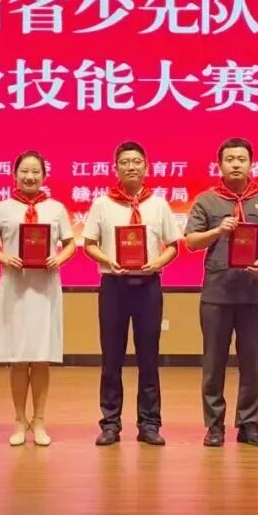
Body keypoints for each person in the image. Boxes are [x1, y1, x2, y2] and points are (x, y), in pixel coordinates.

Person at [184, 137, 258, 447]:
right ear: (220, 165)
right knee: (213, 362)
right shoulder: (207, 200)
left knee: (251, 362)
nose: (236, 164)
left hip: (254, 293)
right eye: (230, 159)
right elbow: (191, 242)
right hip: (217, 293)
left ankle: (249, 425)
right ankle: (214, 426)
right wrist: (218, 230)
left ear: (251, 163)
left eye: (242, 159)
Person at [83, 141, 182, 447]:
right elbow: (89, 244)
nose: (131, 167)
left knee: (148, 358)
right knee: (111, 357)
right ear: (116, 168)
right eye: (125, 162)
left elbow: (173, 246)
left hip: (148, 286)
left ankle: (149, 424)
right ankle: (110, 423)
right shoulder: (102, 204)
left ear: (146, 167)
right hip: (113, 285)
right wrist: (107, 260)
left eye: (136, 162)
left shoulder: (159, 204)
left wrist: (158, 262)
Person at [0, 150, 76, 446]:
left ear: (44, 176)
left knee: (41, 357)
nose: (30, 176)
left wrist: (58, 258)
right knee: (18, 358)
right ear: (15, 174)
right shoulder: (2, 208)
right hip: (15, 287)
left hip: (45, 288)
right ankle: (19, 420)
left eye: (36, 171)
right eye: (24, 171)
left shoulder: (56, 208)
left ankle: (40, 420)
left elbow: (71, 243)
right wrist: (4, 258)